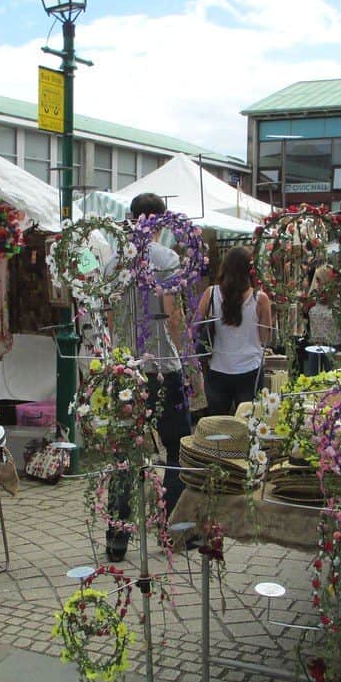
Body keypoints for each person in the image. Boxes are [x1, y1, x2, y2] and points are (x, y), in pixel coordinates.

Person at [104, 192, 193, 562]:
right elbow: (172, 315)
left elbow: (110, 317)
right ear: (158, 221)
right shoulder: (166, 259)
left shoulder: (114, 261)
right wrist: (185, 354)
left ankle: (117, 538)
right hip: (161, 367)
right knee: (176, 446)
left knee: (125, 451)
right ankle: (172, 530)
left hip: (126, 367)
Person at [195, 246, 272, 415]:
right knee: (249, 422)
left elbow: (194, 326)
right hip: (250, 369)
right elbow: (265, 338)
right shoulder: (260, 299)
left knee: (218, 423)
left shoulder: (211, 293)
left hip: (218, 368)